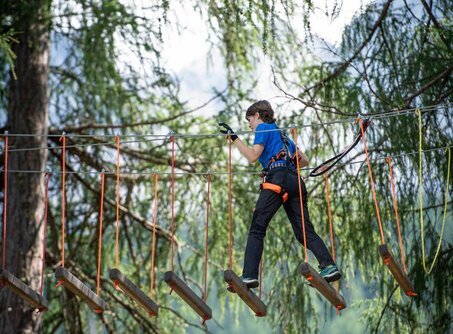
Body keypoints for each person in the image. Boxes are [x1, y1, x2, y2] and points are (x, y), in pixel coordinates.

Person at [219, 100, 341, 290]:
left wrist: (234, 138)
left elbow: (252, 157)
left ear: (257, 115)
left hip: (277, 180)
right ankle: (329, 266)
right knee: (304, 232)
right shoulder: (283, 136)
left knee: (257, 228)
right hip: (295, 182)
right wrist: (283, 163)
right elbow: (305, 161)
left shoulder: (263, 129)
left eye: (249, 120)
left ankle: (249, 275)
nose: (249, 126)